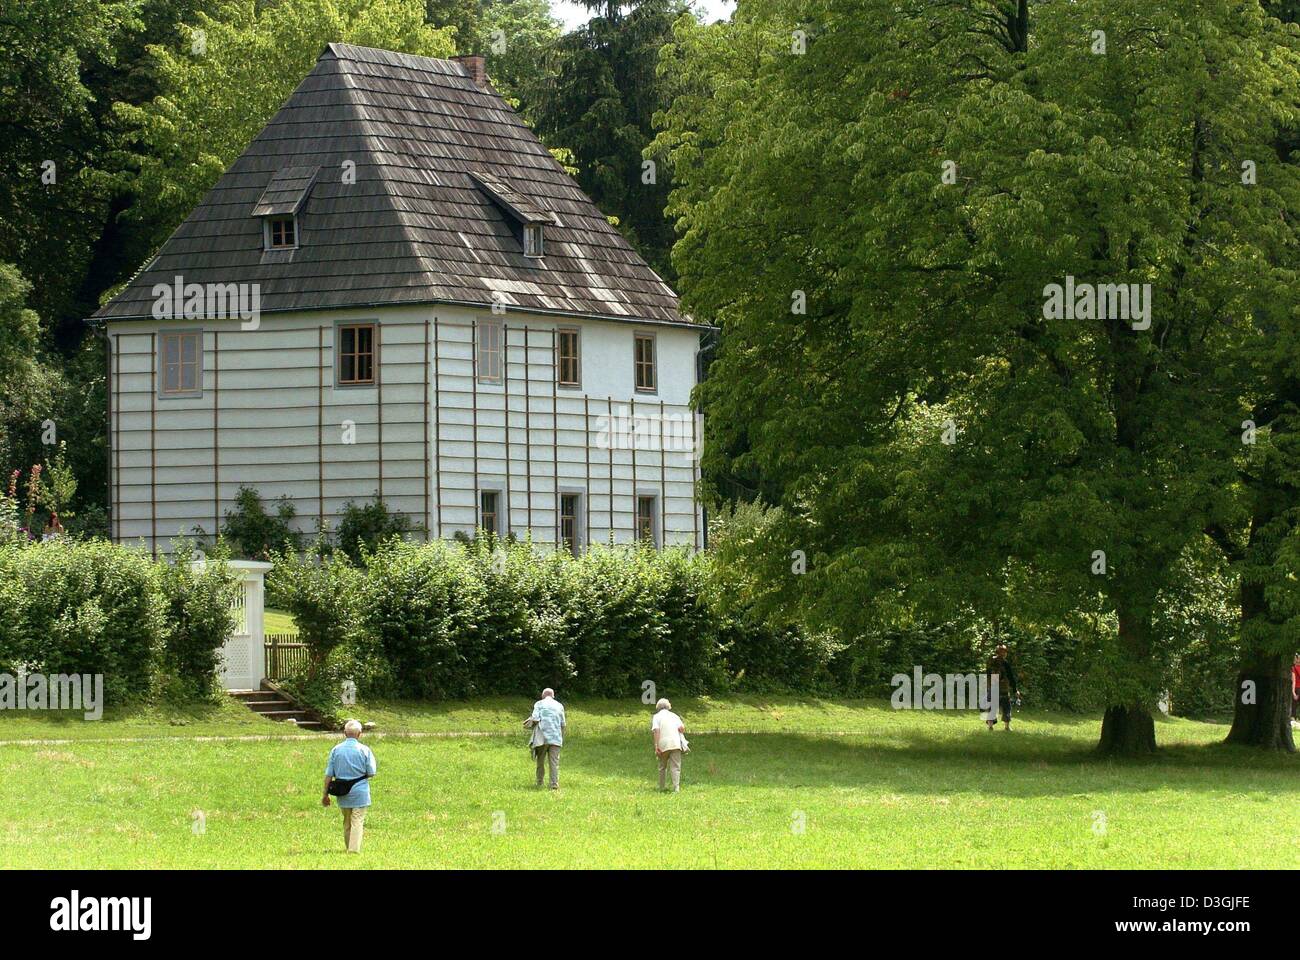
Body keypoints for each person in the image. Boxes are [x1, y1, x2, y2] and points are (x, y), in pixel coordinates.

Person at [322, 719, 377, 853]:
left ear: (344, 733)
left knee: (347, 820)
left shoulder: (336, 750)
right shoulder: (364, 750)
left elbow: (329, 774)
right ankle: (353, 850)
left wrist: (325, 794)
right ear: (359, 734)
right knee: (357, 819)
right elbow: (371, 772)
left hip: (342, 791)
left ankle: (348, 847)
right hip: (360, 790)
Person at [528, 688, 566, 789]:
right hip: (556, 738)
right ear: (553, 696)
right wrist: (560, 738)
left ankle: (539, 782)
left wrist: (530, 721)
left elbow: (535, 718)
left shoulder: (539, 704)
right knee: (554, 762)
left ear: (542, 695)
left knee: (540, 761)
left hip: (542, 737)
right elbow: (563, 724)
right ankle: (554, 785)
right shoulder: (559, 705)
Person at [651, 698, 687, 792]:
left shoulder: (656, 717)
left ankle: (662, 787)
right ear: (668, 707)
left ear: (658, 707)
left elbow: (656, 731)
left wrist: (656, 746)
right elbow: (682, 728)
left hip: (663, 743)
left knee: (662, 766)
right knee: (676, 766)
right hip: (675, 743)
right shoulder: (674, 716)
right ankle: (676, 788)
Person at [985, 644, 1020, 731]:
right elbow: (1011, 677)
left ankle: (990, 726)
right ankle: (1007, 727)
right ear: (1003, 653)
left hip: (992, 688)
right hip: (1003, 689)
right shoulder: (1005, 663)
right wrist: (1015, 689)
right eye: (1005, 652)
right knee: (1006, 707)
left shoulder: (990, 662)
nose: (1006, 653)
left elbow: (987, 675)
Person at [1291, 653, 1299, 728]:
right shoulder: (1294, 668)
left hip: (1296, 688)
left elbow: (1294, 681)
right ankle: (1294, 718)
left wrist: (1293, 692)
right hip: (1297, 688)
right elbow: (1294, 680)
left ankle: (1294, 718)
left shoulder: (1293, 668)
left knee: (1294, 704)